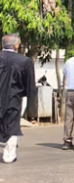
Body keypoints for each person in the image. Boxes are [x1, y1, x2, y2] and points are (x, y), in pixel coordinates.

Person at [0, 34, 35, 163]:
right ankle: (9, 155)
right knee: (13, 124)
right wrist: (30, 104)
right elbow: (29, 84)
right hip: (14, 98)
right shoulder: (24, 61)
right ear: (16, 45)